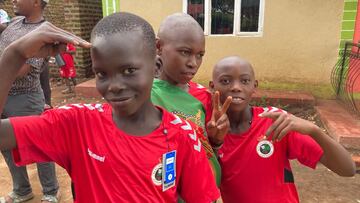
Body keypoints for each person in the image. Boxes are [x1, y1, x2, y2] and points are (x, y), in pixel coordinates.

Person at [0, 12, 220, 202]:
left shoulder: (183, 136)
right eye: (102, 74)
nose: (114, 86)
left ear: (156, 66)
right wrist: (14, 55)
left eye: (129, 70)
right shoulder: (78, 125)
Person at [209, 56, 356, 203]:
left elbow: (347, 169)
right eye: (225, 81)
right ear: (212, 86)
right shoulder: (209, 130)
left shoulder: (276, 121)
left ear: (254, 86)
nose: (236, 87)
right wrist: (215, 143)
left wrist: (314, 130)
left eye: (245, 81)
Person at [151, 13, 230, 188]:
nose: (193, 63)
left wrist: (216, 140)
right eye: (185, 52)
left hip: (207, 190)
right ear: (158, 46)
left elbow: (207, 149)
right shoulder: (145, 95)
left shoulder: (204, 96)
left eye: (200, 55)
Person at [0, 0, 60, 202]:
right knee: (5, 144)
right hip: (3, 94)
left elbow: (23, 69)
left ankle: (51, 191)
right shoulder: (16, 23)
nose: (14, 0)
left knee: (38, 144)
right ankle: (22, 189)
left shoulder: (43, 32)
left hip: (25, 98)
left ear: (36, 2)